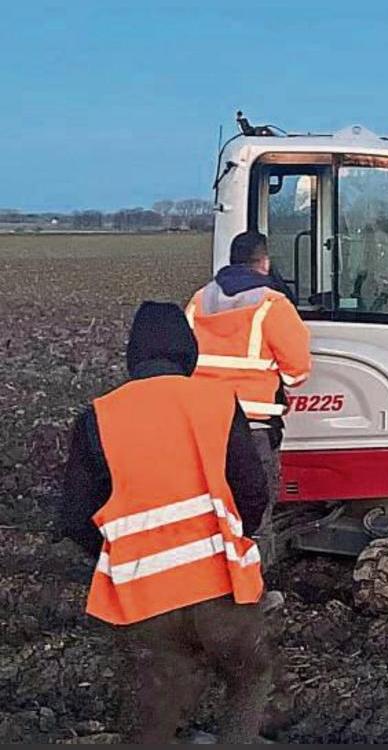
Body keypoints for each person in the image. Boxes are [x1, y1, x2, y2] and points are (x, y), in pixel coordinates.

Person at [59, 302, 273, 744]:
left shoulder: (98, 418)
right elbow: (252, 491)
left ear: (133, 356)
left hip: (144, 600)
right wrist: (235, 538)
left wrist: (121, 556)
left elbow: (75, 518)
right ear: (188, 353)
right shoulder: (216, 402)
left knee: (153, 707)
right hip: (220, 587)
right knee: (250, 676)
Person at [185, 231, 311, 563]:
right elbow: (297, 373)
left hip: (203, 426)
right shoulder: (272, 304)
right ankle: (252, 592)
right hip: (253, 427)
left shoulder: (199, 300)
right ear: (264, 262)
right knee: (255, 515)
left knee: (210, 511)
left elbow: (182, 359)